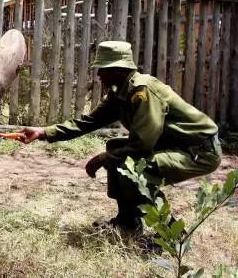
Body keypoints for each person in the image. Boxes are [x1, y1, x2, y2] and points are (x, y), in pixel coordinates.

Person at [13, 41, 222, 233]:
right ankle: (128, 222)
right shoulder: (120, 93)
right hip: (175, 145)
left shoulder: (143, 91)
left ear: (119, 70)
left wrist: (103, 159)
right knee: (116, 150)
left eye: (103, 70)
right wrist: (43, 132)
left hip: (199, 151)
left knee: (135, 169)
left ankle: (172, 236)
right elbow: (88, 122)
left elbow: (142, 143)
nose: (99, 76)